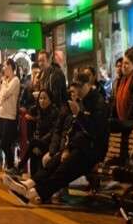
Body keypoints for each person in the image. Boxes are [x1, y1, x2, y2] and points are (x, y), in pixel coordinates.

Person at [6, 73, 109, 204]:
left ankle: (32, 193)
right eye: (75, 87)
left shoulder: (97, 103)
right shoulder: (81, 101)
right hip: (80, 146)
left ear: (88, 85)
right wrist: (67, 148)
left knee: (63, 170)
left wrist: (79, 114)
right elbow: (73, 130)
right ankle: (28, 185)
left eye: (80, 87)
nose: (76, 91)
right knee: (54, 162)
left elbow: (95, 131)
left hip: (92, 151)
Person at [16, 90, 59, 177]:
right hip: (37, 143)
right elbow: (34, 131)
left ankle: (20, 165)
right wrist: (36, 145)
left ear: (50, 99)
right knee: (33, 148)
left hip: (50, 144)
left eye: (45, 98)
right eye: (40, 98)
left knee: (34, 143)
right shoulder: (36, 110)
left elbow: (53, 132)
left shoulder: (55, 112)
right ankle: (26, 175)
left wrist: (38, 143)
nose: (42, 101)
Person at [0, 59, 20, 174]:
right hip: (1, 114)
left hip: (10, 116)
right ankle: (10, 166)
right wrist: (2, 95)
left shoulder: (15, 81)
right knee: (3, 142)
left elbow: (5, 94)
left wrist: (3, 91)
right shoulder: (5, 81)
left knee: (6, 143)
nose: (3, 68)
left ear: (10, 66)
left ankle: (11, 165)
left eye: (5, 66)